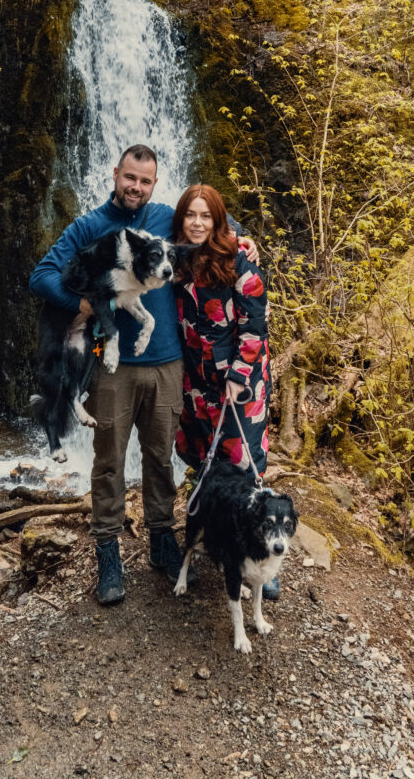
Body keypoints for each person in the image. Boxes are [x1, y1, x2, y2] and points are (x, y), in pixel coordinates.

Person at [29, 145, 257, 606]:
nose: (135, 187)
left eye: (145, 180)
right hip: (112, 368)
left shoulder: (165, 220)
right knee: (108, 459)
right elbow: (41, 276)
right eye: (129, 177)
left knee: (159, 458)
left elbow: (209, 226)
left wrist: (244, 240)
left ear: (155, 184)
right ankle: (109, 552)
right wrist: (83, 306)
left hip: (170, 363)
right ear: (115, 174)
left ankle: (161, 540)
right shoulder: (90, 226)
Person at [172, 184, 279, 600]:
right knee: (205, 459)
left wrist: (238, 374)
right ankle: (211, 539)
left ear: (219, 222)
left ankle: (262, 562)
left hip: (241, 384)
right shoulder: (177, 260)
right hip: (198, 381)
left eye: (206, 217)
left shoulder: (241, 266)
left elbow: (255, 327)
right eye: (190, 216)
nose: (197, 223)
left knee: (244, 465)